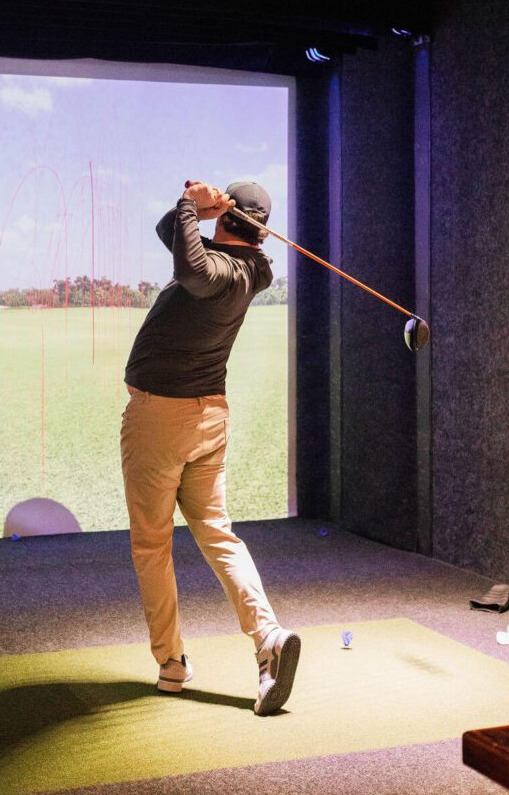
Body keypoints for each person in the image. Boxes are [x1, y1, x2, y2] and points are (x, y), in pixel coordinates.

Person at [121, 179, 300, 716]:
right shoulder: (257, 269)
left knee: (152, 545)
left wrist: (188, 205)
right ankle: (266, 637)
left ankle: (171, 664)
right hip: (208, 419)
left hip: (161, 418)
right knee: (217, 534)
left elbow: (191, 270)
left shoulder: (220, 272)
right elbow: (171, 238)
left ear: (228, 220)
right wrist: (195, 211)